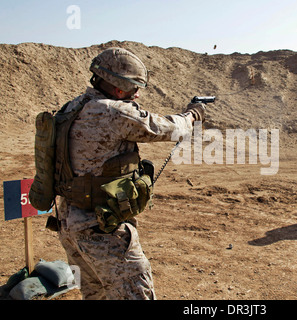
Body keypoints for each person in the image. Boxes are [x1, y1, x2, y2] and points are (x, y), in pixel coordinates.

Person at [56, 47, 205, 300]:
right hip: (103, 229)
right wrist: (192, 115)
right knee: (136, 292)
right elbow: (164, 128)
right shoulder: (111, 111)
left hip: (69, 225)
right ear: (117, 87)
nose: (137, 94)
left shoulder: (71, 108)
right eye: (133, 88)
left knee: (96, 295)